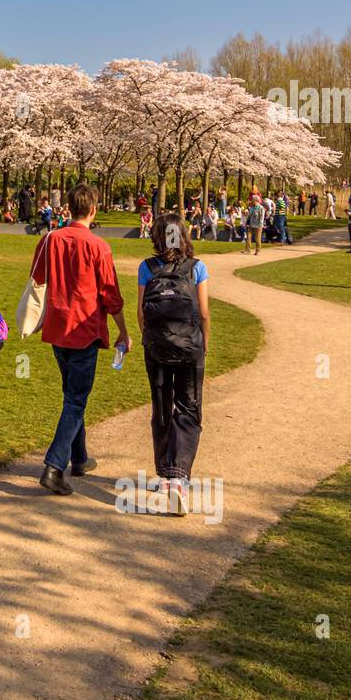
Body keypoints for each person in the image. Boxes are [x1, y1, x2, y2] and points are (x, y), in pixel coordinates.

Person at [30, 183, 132, 495]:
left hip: (59, 327)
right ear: (93, 210)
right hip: (85, 329)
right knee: (75, 398)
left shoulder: (51, 240)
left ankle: (79, 457)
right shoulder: (98, 246)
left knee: (72, 395)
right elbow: (110, 294)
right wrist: (124, 330)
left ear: (69, 208)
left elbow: (39, 278)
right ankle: (54, 466)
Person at [137, 213, 210, 516]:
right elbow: (204, 312)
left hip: (156, 347)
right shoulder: (197, 268)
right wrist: (204, 343)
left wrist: (151, 339)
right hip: (189, 347)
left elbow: (142, 312)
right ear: (183, 236)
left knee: (162, 406)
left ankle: (165, 474)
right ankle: (178, 477)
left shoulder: (147, 267)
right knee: (189, 408)